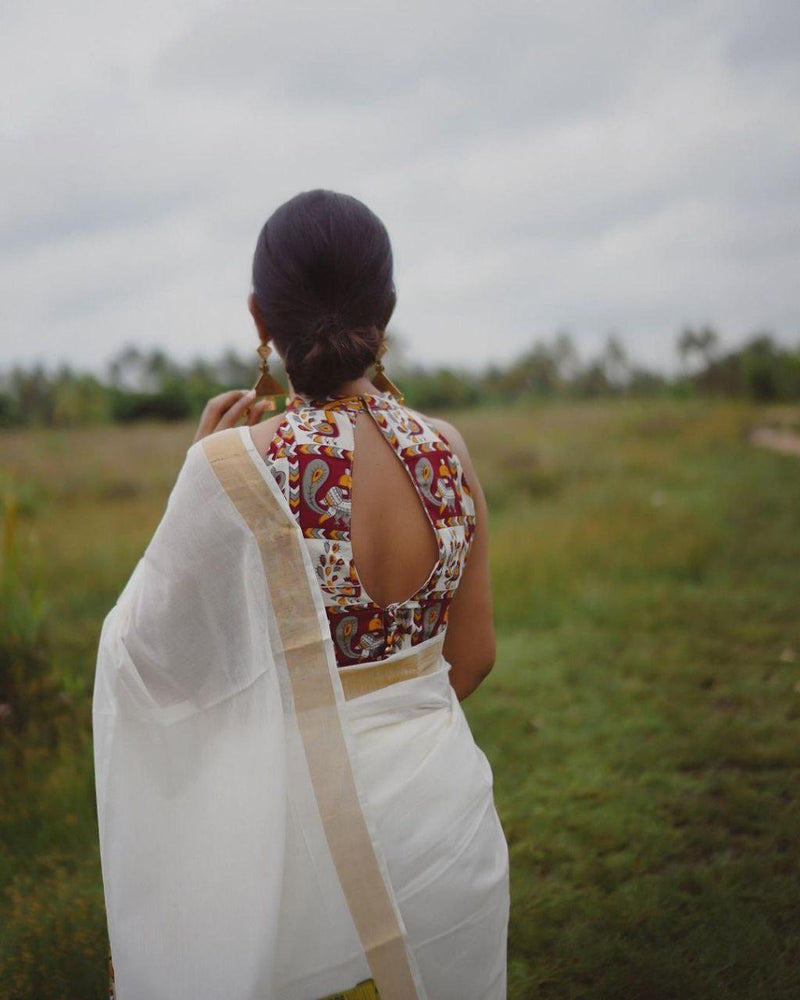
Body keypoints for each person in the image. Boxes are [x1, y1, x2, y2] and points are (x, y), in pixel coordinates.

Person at [93, 189, 509, 1000]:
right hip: (446, 828)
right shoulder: (448, 450)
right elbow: (474, 658)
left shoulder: (230, 467)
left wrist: (198, 478)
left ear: (260, 317)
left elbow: (152, 664)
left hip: (296, 847)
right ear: (387, 310)